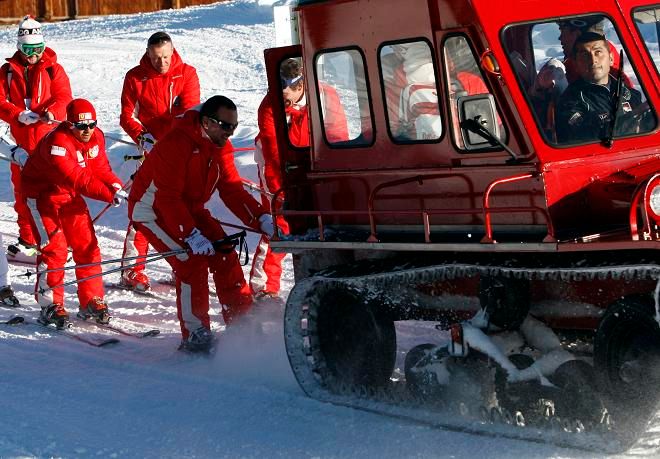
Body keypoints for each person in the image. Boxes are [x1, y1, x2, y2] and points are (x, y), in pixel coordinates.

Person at [128, 96, 273, 352]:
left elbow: (231, 190)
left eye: (234, 127)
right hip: (152, 210)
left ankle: (241, 324)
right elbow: (168, 198)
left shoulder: (220, 147)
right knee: (191, 261)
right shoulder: (177, 143)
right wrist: (191, 235)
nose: (229, 133)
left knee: (225, 255)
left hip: (190, 208)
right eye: (225, 126)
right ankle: (196, 333)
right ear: (206, 122)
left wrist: (261, 218)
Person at [21, 99, 126, 329]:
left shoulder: (96, 136)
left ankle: (90, 299)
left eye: (91, 124)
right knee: (54, 248)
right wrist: (108, 195)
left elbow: (99, 169)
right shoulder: (57, 143)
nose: (87, 130)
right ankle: (50, 303)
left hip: (68, 194)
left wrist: (116, 186)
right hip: (41, 195)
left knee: (87, 245)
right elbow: (77, 178)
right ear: (69, 125)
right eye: (81, 126)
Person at [249, 58, 347, 299]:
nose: (283, 99)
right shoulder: (270, 106)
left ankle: (326, 277)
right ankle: (263, 287)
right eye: (279, 93)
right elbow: (274, 155)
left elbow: (338, 133)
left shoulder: (325, 96)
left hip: (313, 157)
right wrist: (281, 193)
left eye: (288, 95)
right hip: (279, 161)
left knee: (324, 218)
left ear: (301, 86)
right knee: (282, 222)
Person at [118, 31, 200, 292]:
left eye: (165, 57)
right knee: (143, 207)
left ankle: (182, 265)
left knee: (180, 209)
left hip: (178, 152)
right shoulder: (135, 77)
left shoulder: (186, 73)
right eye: (155, 58)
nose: (161, 63)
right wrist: (143, 137)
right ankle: (132, 269)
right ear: (148, 54)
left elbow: (190, 114)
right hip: (151, 151)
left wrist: (176, 144)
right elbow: (126, 116)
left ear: (172, 51)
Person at [0, 15, 72, 261]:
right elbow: (0, 102)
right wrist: (17, 115)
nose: (34, 54)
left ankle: (58, 239)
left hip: (49, 142)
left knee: (54, 192)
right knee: (22, 194)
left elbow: (64, 97)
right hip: (21, 144)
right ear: (20, 47)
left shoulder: (54, 68)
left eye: (38, 48)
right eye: (29, 49)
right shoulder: (7, 72)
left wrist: (52, 112)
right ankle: (29, 240)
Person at [555, 32, 651, 144]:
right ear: (575, 64)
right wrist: (634, 115)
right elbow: (589, 135)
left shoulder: (629, 93)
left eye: (598, 52)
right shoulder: (570, 102)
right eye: (585, 55)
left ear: (611, 58)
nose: (593, 60)